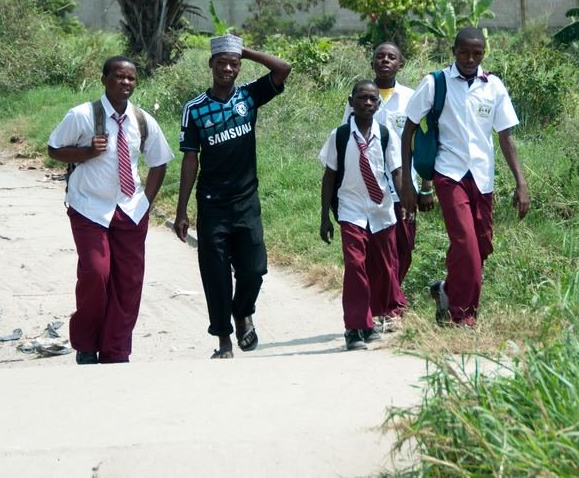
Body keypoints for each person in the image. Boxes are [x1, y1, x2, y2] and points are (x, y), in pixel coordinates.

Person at [48, 56, 174, 364]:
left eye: (131, 78)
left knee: (128, 282)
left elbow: (159, 161)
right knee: (95, 273)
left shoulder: (142, 120)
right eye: (119, 77)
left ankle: (115, 351)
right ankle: (87, 344)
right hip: (89, 206)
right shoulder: (81, 115)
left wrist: (146, 203)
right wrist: (87, 152)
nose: (126, 83)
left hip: (130, 210)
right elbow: (53, 149)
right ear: (104, 79)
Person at [401, 27, 530, 327]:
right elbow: (408, 129)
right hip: (449, 174)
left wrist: (521, 183)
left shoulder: (493, 86)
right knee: (466, 244)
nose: (470, 59)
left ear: (484, 53)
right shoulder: (435, 83)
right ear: (453, 51)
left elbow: (505, 136)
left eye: (477, 53)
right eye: (464, 52)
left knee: (481, 246)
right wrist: (410, 182)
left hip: (482, 177)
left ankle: (445, 291)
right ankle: (463, 316)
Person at [174, 34, 291, 359]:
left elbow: (283, 69)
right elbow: (189, 159)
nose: (228, 68)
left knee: (254, 269)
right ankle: (224, 340)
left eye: (233, 63)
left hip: (246, 201)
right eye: (222, 62)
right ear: (211, 65)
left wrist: (246, 51)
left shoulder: (249, 97)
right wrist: (182, 210)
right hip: (212, 204)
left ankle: (242, 311)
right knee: (215, 275)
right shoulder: (194, 109)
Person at [320, 80, 404, 351]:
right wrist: (324, 216)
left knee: (381, 267)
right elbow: (330, 175)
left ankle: (371, 321)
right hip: (351, 209)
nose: (367, 103)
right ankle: (354, 328)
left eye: (372, 99)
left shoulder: (387, 134)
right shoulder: (340, 135)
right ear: (351, 101)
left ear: (378, 105)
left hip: (381, 210)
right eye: (361, 98)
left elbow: (396, 172)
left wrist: (405, 202)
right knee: (355, 267)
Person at [341, 42, 415, 327]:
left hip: (403, 185)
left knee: (404, 248)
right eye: (380, 56)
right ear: (372, 62)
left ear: (401, 63)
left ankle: (388, 298)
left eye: (391, 57)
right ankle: (391, 308)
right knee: (379, 252)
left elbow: (418, 141)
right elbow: (345, 140)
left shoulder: (410, 98)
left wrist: (420, 187)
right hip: (368, 192)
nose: (385, 60)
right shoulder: (361, 96)